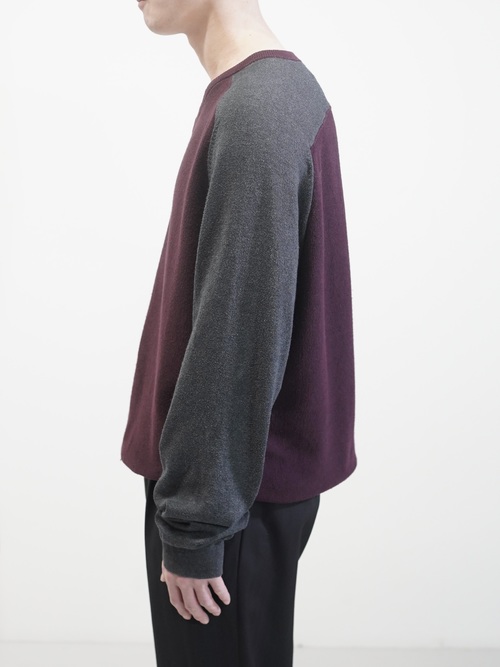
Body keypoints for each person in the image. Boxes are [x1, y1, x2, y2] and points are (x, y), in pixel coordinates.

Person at [120, 0, 358, 664]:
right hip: (233, 490)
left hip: (230, 502)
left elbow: (237, 333)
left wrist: (197, 525)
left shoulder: (261, 108)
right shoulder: (263, 95)